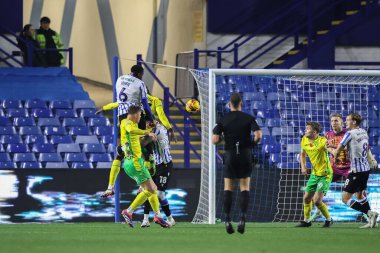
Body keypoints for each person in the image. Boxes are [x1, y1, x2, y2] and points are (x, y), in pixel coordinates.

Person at [103, 105, 170, 228]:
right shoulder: (128, 123)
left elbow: (134, 135)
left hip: (132, 162)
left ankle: (158, 216)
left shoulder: (127, 124)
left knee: (151, 189)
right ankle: (129, 211)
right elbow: (131, 130)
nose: (140, 118)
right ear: (135, 114)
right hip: (135, 163)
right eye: (139, 115)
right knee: (151, 189)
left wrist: (146, 131)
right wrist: (147, 133)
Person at [98, 65, 155, 198]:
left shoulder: (120, 79)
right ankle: (142, 184)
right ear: (141, 74)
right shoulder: (140, 84)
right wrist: (150, 121)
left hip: (122, 116)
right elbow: (145, 104)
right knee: (146, 148)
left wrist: (105, 107)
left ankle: (110, 187)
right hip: (133, 116)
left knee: (119, 152)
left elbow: (118, 102)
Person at [212, 92, 262, 234]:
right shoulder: (249, 118)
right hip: (245, 155)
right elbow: (258, 135)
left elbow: (214, 140)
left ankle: (227, 220)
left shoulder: (223, 120)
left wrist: (223, 138)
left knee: (228, 188)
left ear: (229, 104)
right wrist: (251, 143)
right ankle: (242, 218)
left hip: (230, 155)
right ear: (241, 103)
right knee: (244, 188)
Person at [332, 113, 379, 228]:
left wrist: (328, 147)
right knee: (359, 195)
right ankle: (371, 221)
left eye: (348, 120)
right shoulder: (364, 132)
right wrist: (372, 159)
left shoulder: (349, 134)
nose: (346, 122)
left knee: (345, 199)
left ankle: (370, 213)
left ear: (354, 122)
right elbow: (362, 148)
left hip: (356, 172)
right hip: (365, 170)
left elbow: (337, 152)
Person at [297, 122, 333, 228]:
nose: (305, 130)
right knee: (306, 198)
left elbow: (329, 147)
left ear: (315, 132)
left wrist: (333, 149)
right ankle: (307, 221)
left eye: (307, 128)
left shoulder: (322, 141)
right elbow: (302, 153)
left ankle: (329, 219)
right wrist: (303, 166)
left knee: (317, 201)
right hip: (314, 174)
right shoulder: (304, 139)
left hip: (325, 174)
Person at [141, 120, 175, 227]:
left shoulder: (158, 131)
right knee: (148, 190)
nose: (146, 125)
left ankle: (170, 218)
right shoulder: (152, 130)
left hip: (164, 165)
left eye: (148, 122)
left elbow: (143, 143)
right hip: (154, 164)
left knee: (160, 194)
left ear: (154, 122)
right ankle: (145, 219)